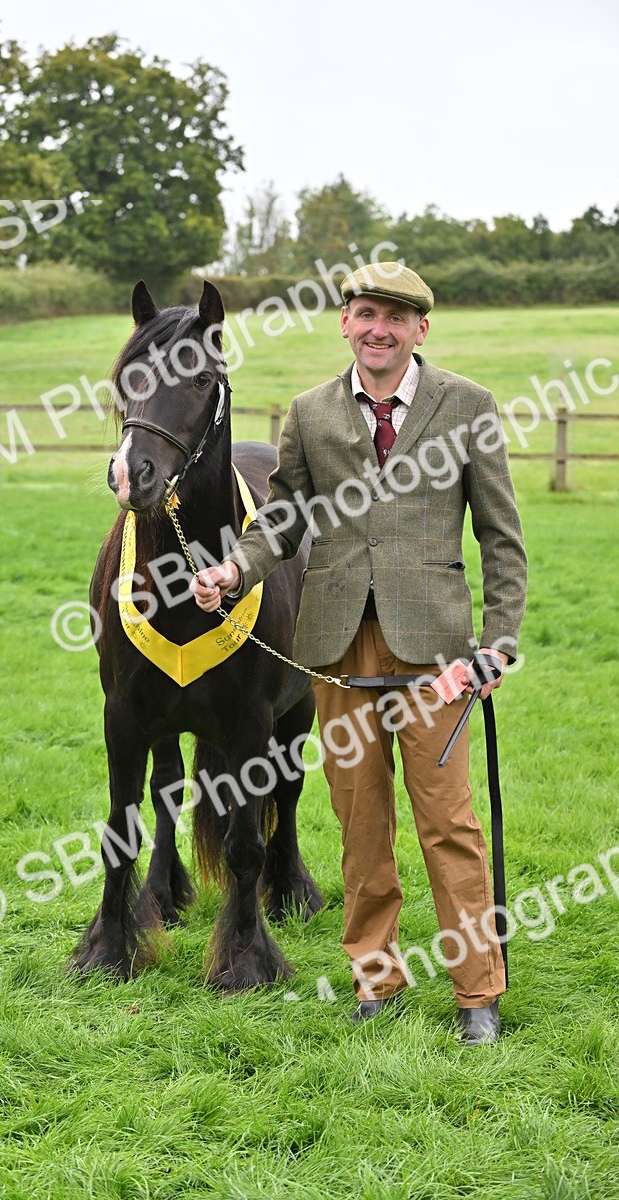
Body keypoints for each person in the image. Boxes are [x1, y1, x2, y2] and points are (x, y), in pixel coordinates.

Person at [191, 262, 527, 1045]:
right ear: (345, 321)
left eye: (397, 317)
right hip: (337, 649)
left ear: (420, 330)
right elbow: (281, 520)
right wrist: (235, 569)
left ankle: (477, 994)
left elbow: (501, 538)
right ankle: (375, 978)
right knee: (360, 823)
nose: (379, 327)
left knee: (449, 824)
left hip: (437, 652)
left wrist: (498, 642)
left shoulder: (467, 406)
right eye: (366, 312)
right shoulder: (309, 414)